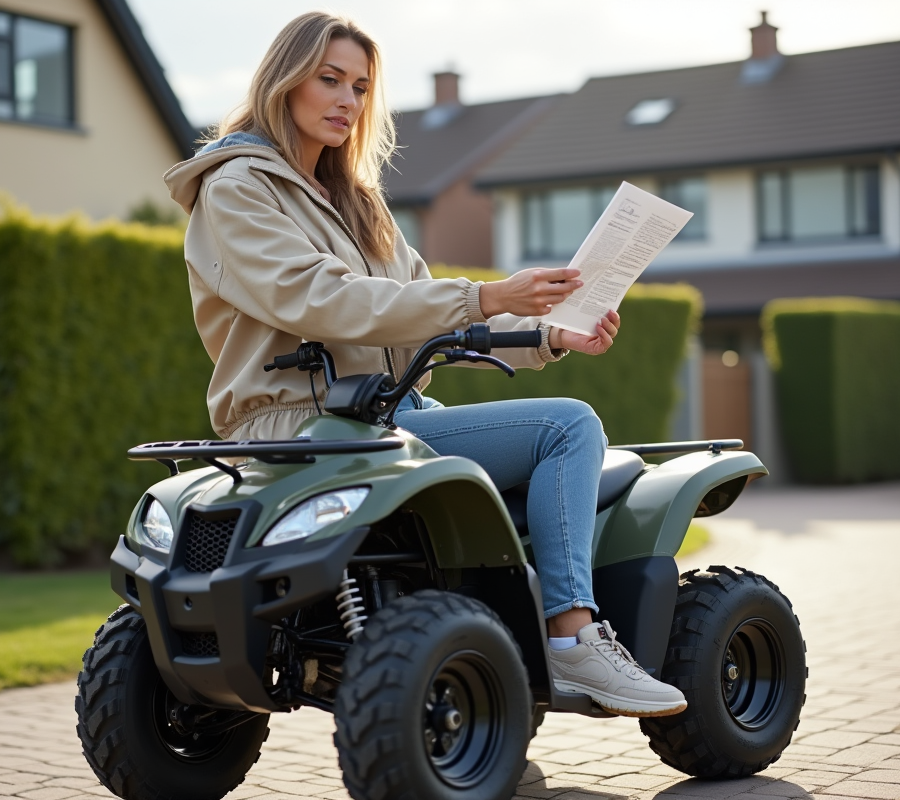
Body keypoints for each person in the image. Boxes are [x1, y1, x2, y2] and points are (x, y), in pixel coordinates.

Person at [164, 11, 686, 718]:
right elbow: (319, 299)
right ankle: (572, 634)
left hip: (386, 419)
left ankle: (507, 645)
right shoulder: (239, 188)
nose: (348, 100)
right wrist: (481, 294)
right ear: (284, 83)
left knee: (541, 431)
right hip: (308, 426)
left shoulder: (356, 203)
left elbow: (422, 319)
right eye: (330, 80)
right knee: (568, 427)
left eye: (361, 85)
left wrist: (550, 332)